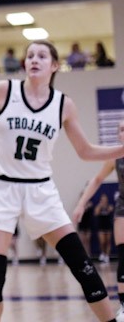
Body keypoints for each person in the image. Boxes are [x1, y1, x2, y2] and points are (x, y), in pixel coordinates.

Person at [0, 39, 124, 322]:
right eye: (30, 56)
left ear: (54, 65)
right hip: (1, 188)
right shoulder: (5, 90)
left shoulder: (64, 105)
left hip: (41, 190)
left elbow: (86, 151)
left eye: (41, 56)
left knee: (83, 267)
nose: (34, 60)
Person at [73, 136, 124, 321]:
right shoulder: (115, 157)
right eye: (121, 129)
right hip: (123, 209)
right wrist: (81, 204)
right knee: (123, 256)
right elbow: (97, 179)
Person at [96, 192, 114, 263]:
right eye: (102, 199)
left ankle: (107, 256)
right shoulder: (99, 207)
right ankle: (103, 253)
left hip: (108, 226)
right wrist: (100, 206)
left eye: (105, 199)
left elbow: (111, 210)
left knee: (108, 241)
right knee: (102, 242)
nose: (104, 200)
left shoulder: (109, 206)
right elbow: (96, 213)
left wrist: (107, 208)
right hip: (101, 226)